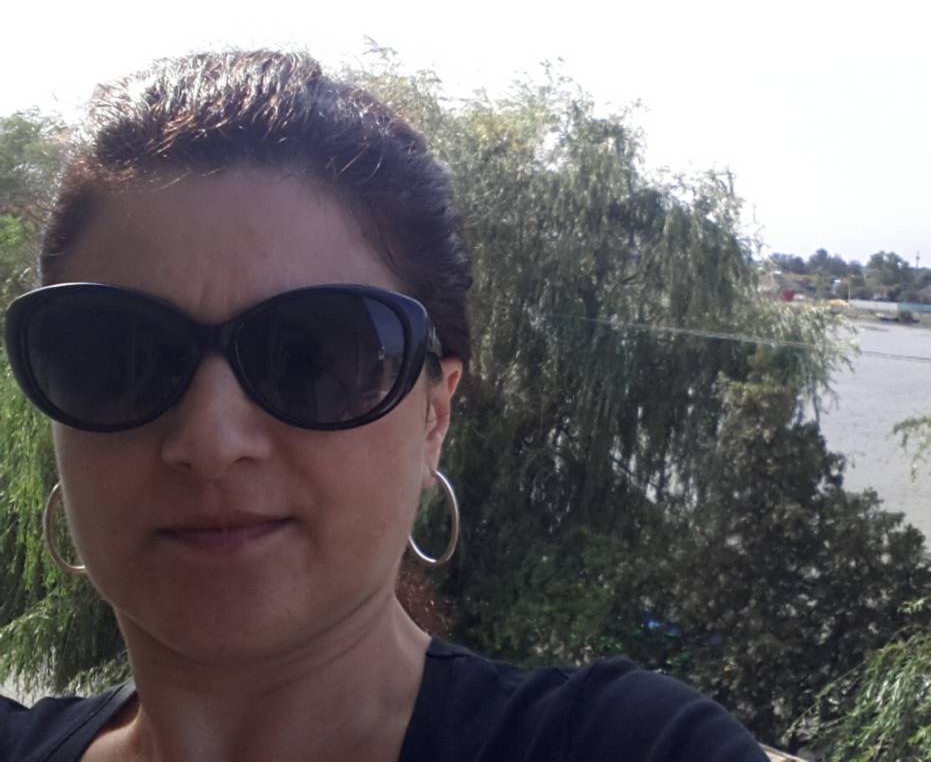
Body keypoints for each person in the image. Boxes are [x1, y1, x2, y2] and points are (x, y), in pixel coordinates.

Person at [0, 50, 768, 761]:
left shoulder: (626, 747)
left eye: (315, 358)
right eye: (120, 356)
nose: (210, 440)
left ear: (433, 418)